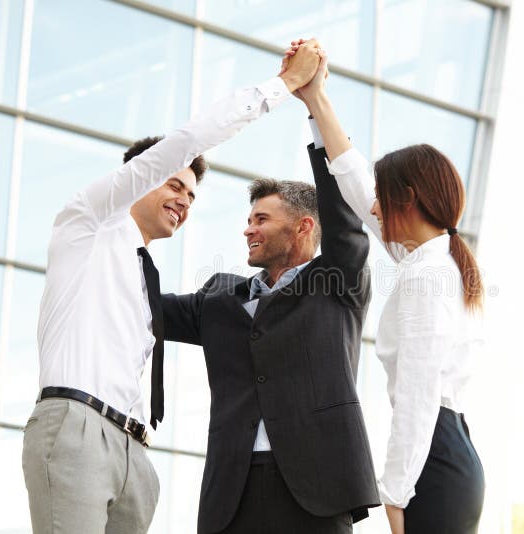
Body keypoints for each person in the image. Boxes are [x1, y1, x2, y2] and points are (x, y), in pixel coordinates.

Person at [21, 42, 323, 534]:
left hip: (133, 449)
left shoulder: (140, 278)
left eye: (192, 195)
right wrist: (284, 88)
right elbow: (188, 140)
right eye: (174, 185)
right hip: (76, 424)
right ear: (138, 179)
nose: (184, 200)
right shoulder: (90, 222)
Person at [160, 49, 380, 533]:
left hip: (317, 493)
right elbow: (139, 304)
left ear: (302, 228)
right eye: (247, 219)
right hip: (232, 496)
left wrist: (315, 101)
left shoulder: (336, 283)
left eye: (261, 219)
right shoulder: (218, 300)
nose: (248, 230)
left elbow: (344, 216)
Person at [289, 41, 486, 534]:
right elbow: (355, 186)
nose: (374, 210)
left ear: (410, 199)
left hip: (433, 463)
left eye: (385, 199)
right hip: (443, 454)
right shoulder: (429, 257)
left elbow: (419, 392)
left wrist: (394, 495)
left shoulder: (426, 276)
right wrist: (317, 100)